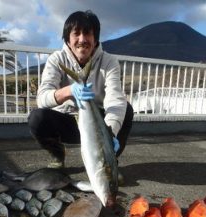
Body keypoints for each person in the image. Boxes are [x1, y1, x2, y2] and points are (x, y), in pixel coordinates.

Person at [28, 10, 134, 181]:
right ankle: (57, 154)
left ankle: (109, 161)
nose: (82, 39)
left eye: (88, 33)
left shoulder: (109, 61)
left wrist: (109, 134)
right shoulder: (56, 59)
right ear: (68, 40)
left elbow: (115, 99)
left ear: (96, 39)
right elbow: (41, 98)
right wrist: (69, 91)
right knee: (37, 118)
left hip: (98, 124)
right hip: (67, 121)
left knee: (126, 109)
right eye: (76, 33)